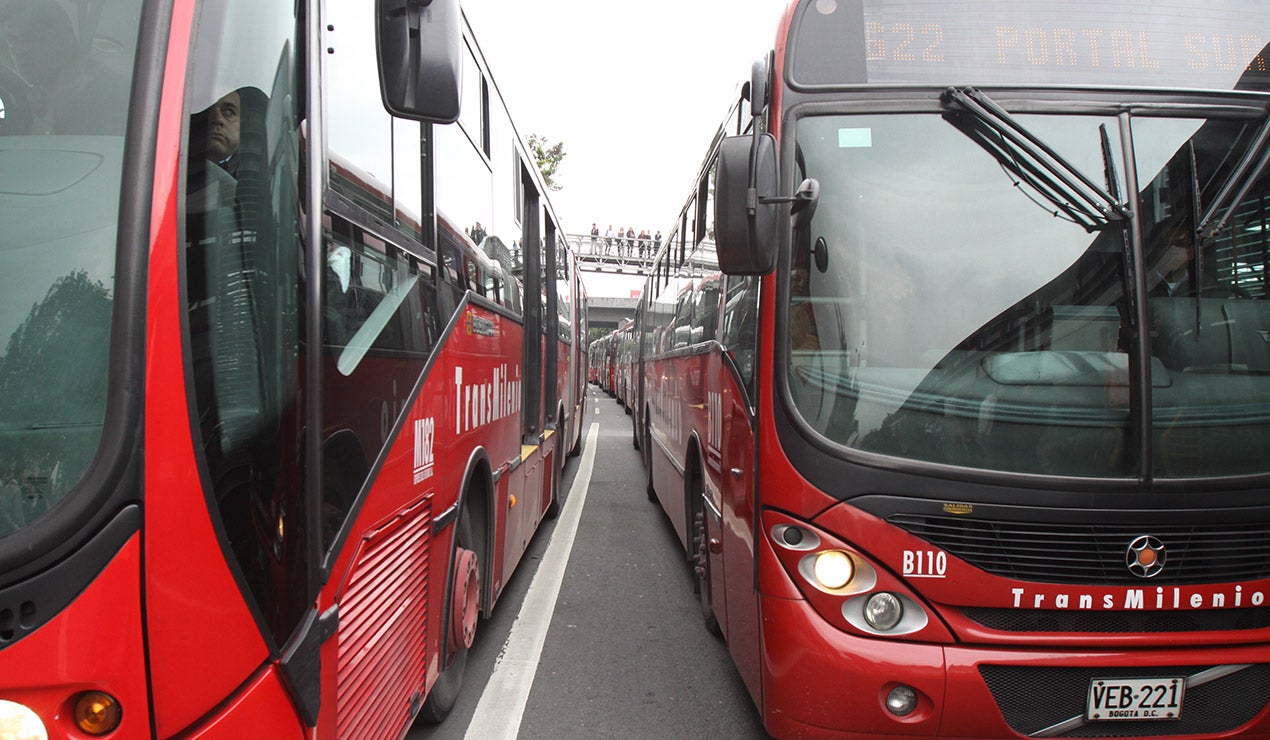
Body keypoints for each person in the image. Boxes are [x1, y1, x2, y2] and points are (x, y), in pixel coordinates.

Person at [204, 90, 241, 177]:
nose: (217, 119)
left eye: (229, 112)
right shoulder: (170, 166)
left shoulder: (254, 183)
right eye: (208, 110)